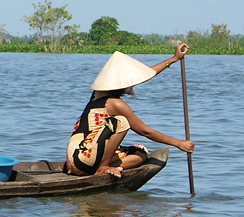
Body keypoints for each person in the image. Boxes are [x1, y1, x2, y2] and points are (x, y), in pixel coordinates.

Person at [65, 43, 195, 178]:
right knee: (122, 121)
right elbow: (144, 131)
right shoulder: (116, 104)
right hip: (83, 160)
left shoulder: (98, 95)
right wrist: (178, 143)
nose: (135, 84)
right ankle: (103, 168)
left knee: (140, 152)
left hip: (76, 160)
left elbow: (148, 74)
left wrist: (174, 59)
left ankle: (103, 166)